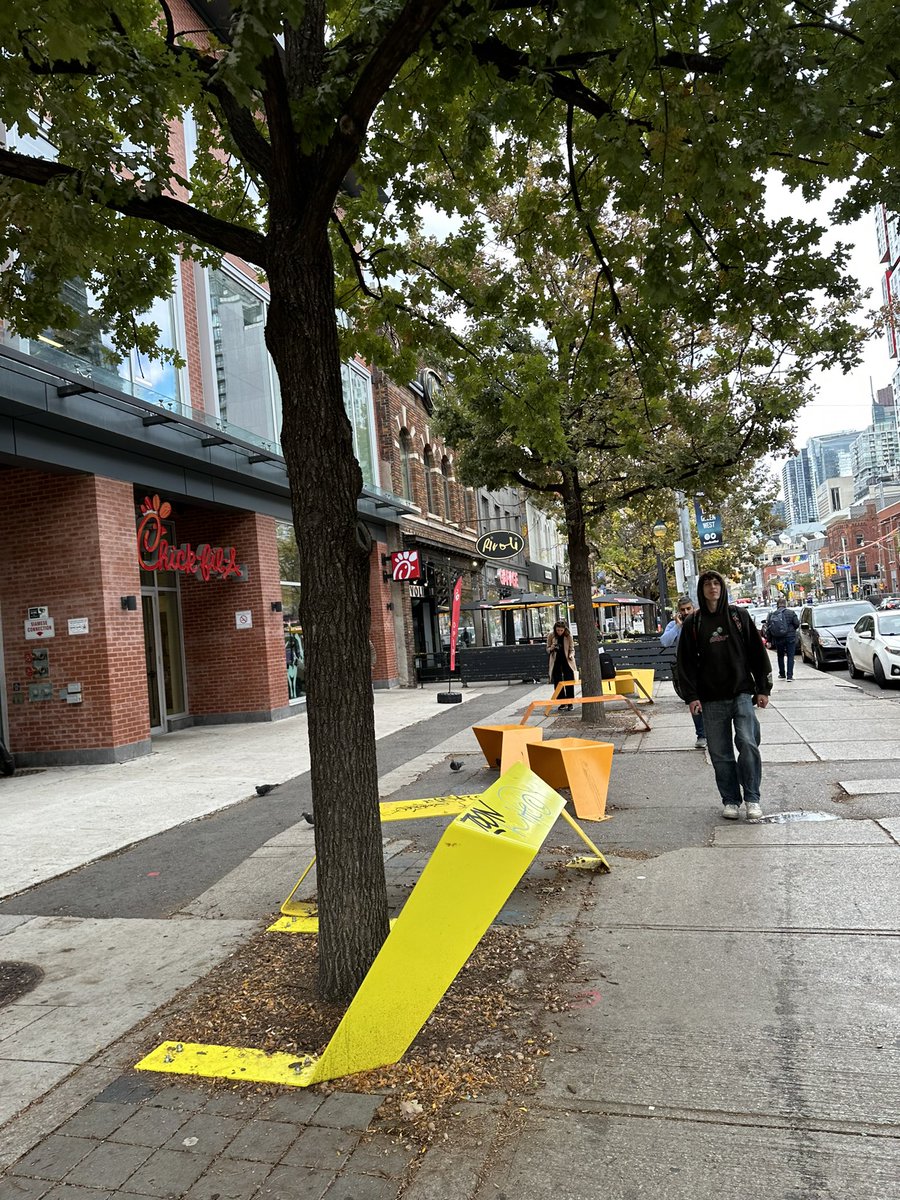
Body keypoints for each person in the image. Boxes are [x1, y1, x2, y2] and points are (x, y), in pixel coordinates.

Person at [676, 570, 772, 821]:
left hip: (741, 693)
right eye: (707, 584)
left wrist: (763, 688)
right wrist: (691, 696)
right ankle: (730, 800)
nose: (712, 587)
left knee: (748, 744)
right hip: (710, 699)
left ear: (722, 587)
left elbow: (756, 652)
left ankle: (752, 798)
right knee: (720, 754)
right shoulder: (693, 623)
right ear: (701, 590)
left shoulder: (738, 616)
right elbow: (684, 663)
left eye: (716, 582)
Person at [660, 595, 707, 749]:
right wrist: (678, 626)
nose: (686, 612)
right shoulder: (674, 625)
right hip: (686, 667)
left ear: (694, 608)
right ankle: (701, 734)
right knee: (693, 699)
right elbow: (665, 641)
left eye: (688, 609)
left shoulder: (701, 620)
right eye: (683, 610)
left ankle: (711, 732)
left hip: (705, 665)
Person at [766, 597, 800, 681]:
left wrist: (769, 640)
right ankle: (789, 676)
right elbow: (797, 624)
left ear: (777, 605)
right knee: (790, 656)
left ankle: (782, 673)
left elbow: (769, 628)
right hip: (790, 637)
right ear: (785, 604)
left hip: (778, 638)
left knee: (780, 656)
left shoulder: (773, 614)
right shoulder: (791, 613)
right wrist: (792, 631)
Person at [547, 620, 576, 712]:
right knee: (558, 682)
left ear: (564, 629)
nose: (559, 632)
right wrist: (551, 648)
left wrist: (571, 655)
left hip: (567, 661)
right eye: (558, 630)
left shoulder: (568, 636)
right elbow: (547, 649)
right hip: (556, 661)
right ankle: (562, 702)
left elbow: (572, 649)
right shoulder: (551, 635)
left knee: (569, 681)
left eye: (561, 630)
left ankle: (570, 702)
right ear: (555, 629)